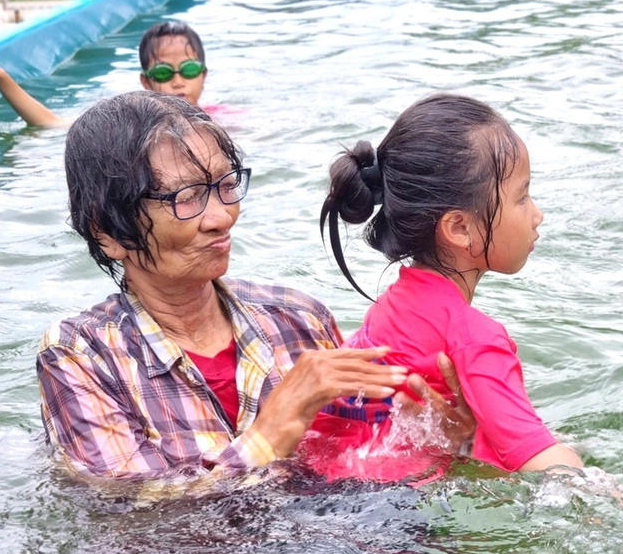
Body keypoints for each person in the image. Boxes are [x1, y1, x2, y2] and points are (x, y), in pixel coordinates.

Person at [37, 91, 474, 480]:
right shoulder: (80, 354)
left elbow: (355, 462)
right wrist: (270, 433)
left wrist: (446, 439)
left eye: (226, 185)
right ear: (107, 233)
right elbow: (131, 510)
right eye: (186, 197)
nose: (222, 217)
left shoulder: (298, 318)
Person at [317, 93, 584, 476]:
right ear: (460, 228)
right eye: (522, 197)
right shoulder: (475, 337)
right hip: (398, 522)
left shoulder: (386, 311)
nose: (537, 214)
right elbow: (540, 463)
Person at [0, 21, 212, 128]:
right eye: (164, 72)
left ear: (203, 74)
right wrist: (0, 77)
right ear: (145, 81)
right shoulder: (134, 122)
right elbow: (51, 123)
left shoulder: (219, 118)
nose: (179, 81)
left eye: (188, 69)